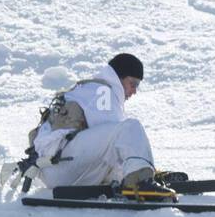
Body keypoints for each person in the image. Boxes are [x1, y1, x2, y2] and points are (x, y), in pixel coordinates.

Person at [24, 53, 176, 200]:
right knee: (129, 127)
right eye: (133, 83)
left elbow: (104, 151)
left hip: (55, 169)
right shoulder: (103, 93)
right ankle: (139, 180)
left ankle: (138, 174)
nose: (134, 91)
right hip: (63, 164)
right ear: (119, 77)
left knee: (121, 136)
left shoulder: (91, 88)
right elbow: (116, 144)